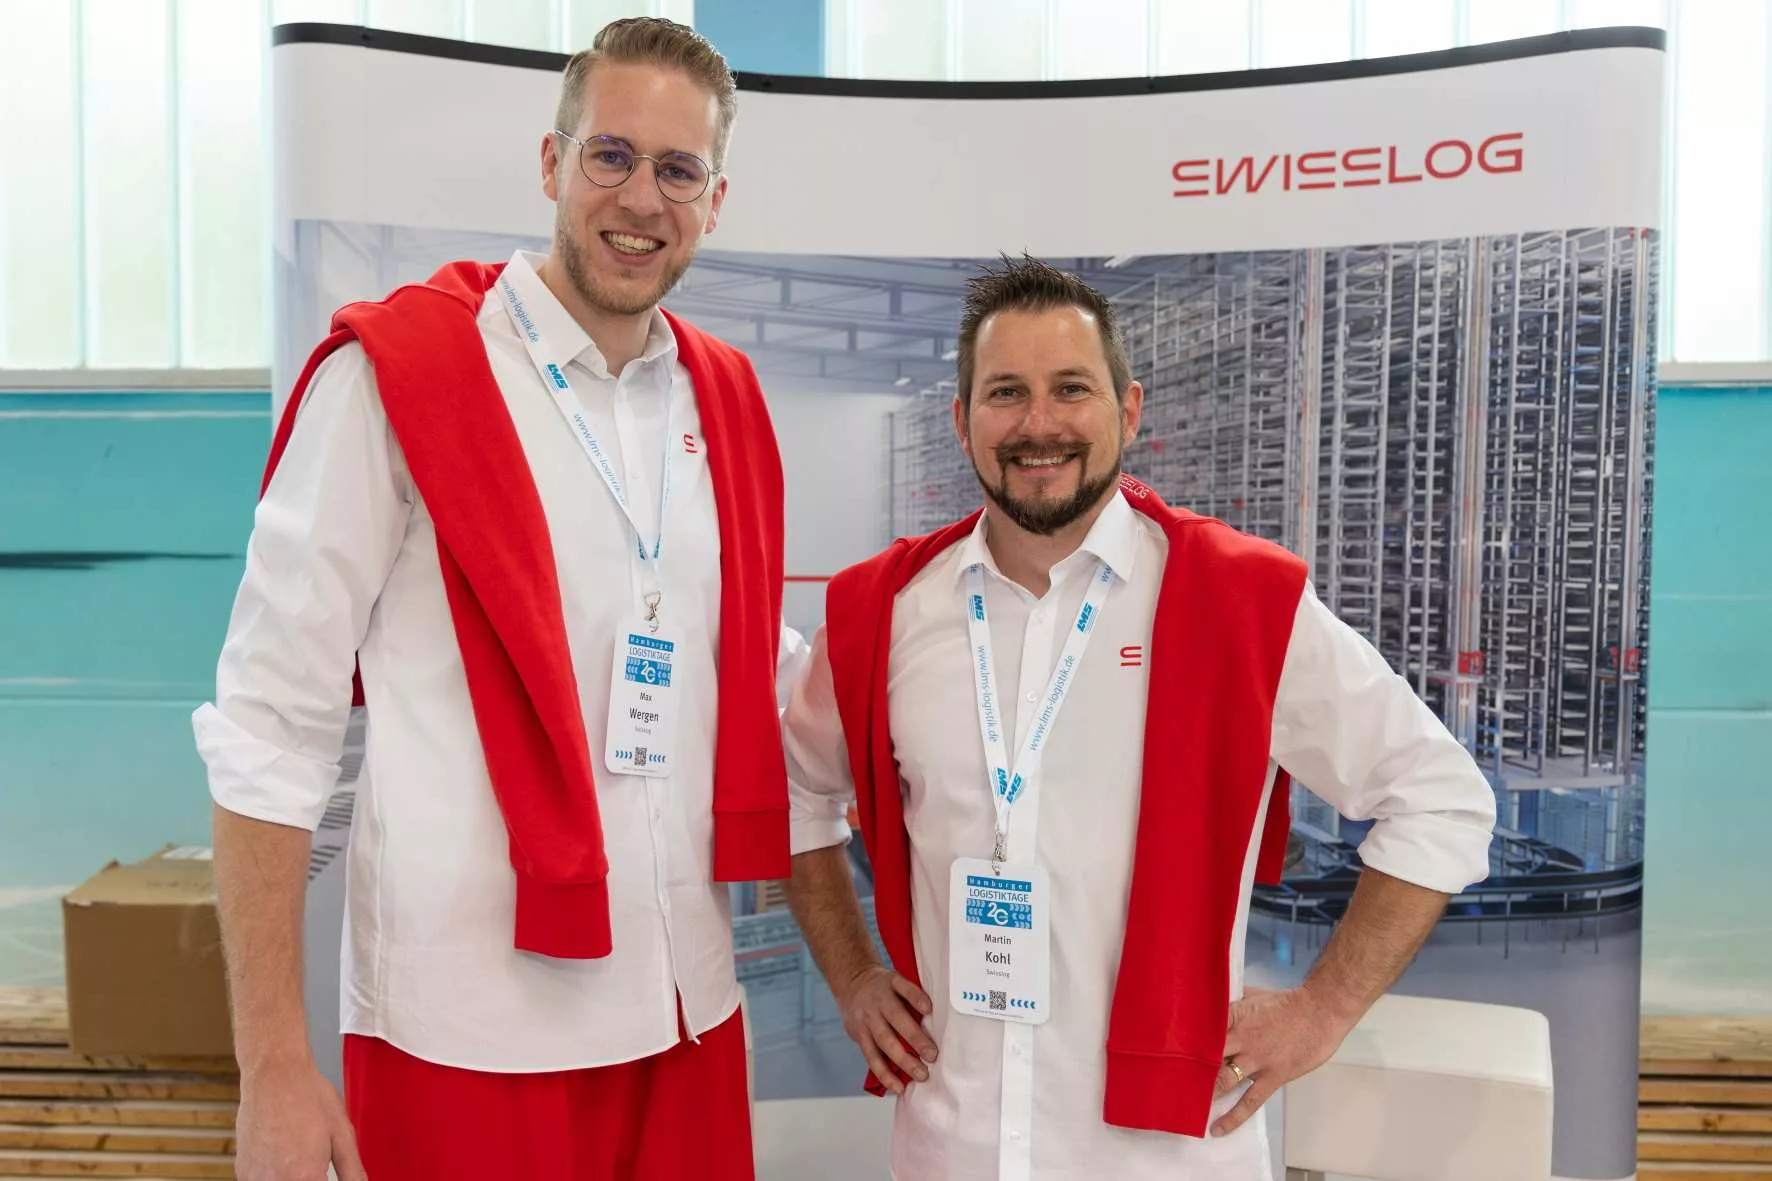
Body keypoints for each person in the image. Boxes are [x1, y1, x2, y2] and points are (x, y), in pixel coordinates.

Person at [192, 19, 788, 1181]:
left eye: (678, 170)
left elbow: (755, 662)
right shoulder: (398, 376)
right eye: (611, 154)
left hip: (685, 1005)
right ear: (551, 162)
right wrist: (269, 1065)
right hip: (468, 1026)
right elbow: (269, 729)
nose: (641, 197)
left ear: (713, 202)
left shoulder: (721, 397)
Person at [779, 254, 1499, 1180]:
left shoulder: (1237, 602)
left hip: (1166, 1155)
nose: (1038, 424)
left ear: (1128, 410)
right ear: (961, 421)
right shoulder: (887, 613)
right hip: (951, 1146)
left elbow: (1439, 798)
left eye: (1070, 388)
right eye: (1006, 392)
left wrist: (1322, 1010)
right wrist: (851, 976)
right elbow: (795, 790)